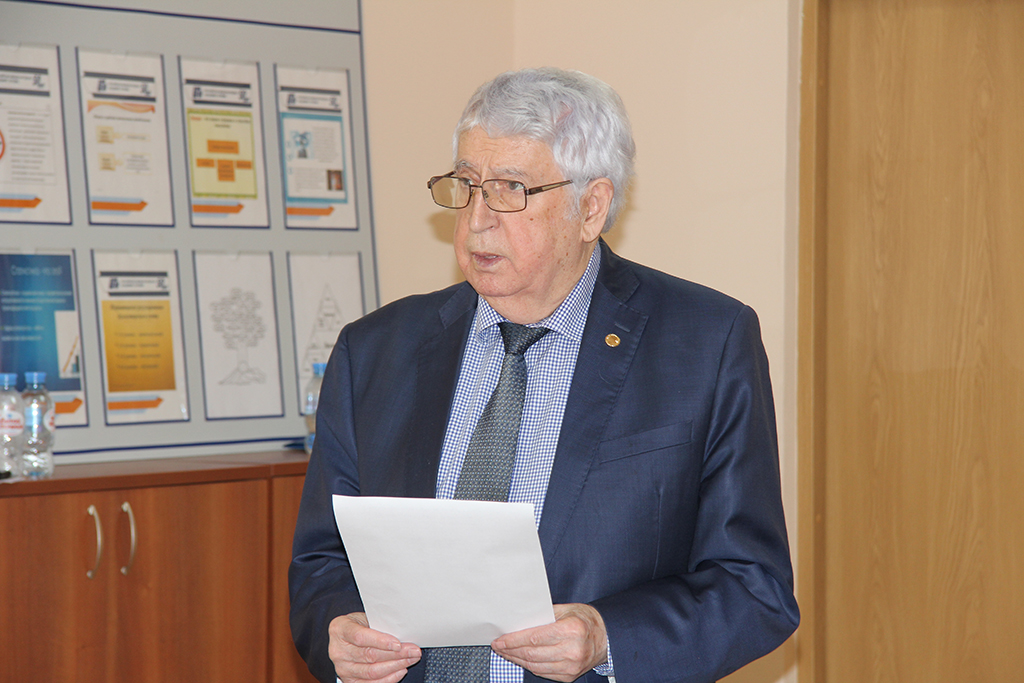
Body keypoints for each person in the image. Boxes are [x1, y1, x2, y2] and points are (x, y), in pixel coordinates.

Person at [290, 67, 799, 683]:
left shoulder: (705, 343)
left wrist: (608, 636)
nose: (476, 220)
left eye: (510, 189)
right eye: (467, 186)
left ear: (591, 208)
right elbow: (321, 562)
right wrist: (338, 629)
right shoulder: (374, 351)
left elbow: (754, 588)